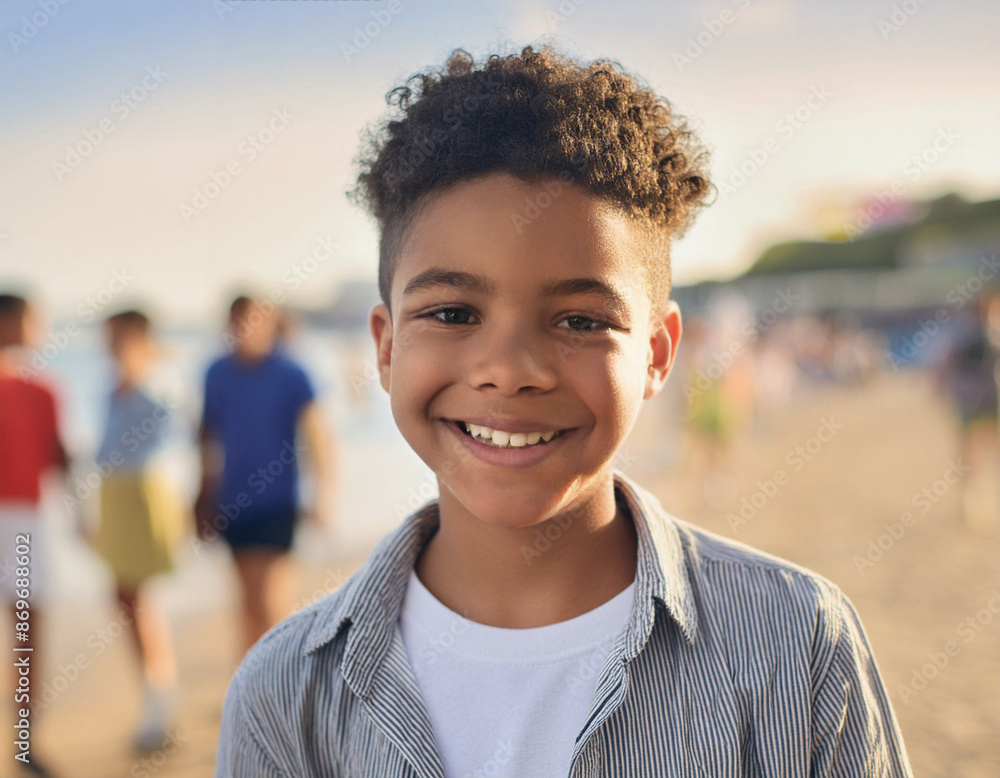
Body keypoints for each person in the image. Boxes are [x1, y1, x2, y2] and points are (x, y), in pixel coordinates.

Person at [215, 46, 913, 776]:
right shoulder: (283, 695)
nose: (511, 372)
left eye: (580, 321)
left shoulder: (794, 645)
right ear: (386, 350)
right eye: (453, 312)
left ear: (656, 353)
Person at [195, 295, 334, 655]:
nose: (245, 331)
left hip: (278, 501)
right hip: (231, 502)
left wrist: (323, 496)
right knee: (245, 603)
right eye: (237, 322)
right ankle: (246, 694)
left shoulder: (292, 373)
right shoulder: (216, 372)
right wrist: (201, 496)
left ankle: (279, 693)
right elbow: (207, 439)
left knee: (271, 604)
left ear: (270, 324)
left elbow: (320, 438)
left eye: (254, 321)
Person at [93, 310, 186, 752]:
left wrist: (143, 367)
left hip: (144, 493)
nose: (106, 343)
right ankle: (155, 699)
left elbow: (169, 437)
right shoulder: (112, 389)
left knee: (140, 599)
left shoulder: (157, 381)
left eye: (114, 335)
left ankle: (159, 704)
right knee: (127, 597)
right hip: (115, 496)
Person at [0, 293, 69, 776]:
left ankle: (24, 743)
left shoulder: (44, 389)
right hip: (19, 523)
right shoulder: (42, 388)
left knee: (26, 631)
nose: (37, 327)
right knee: (27, 632)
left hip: (25, 523)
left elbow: (60, 460)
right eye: (31, 318)